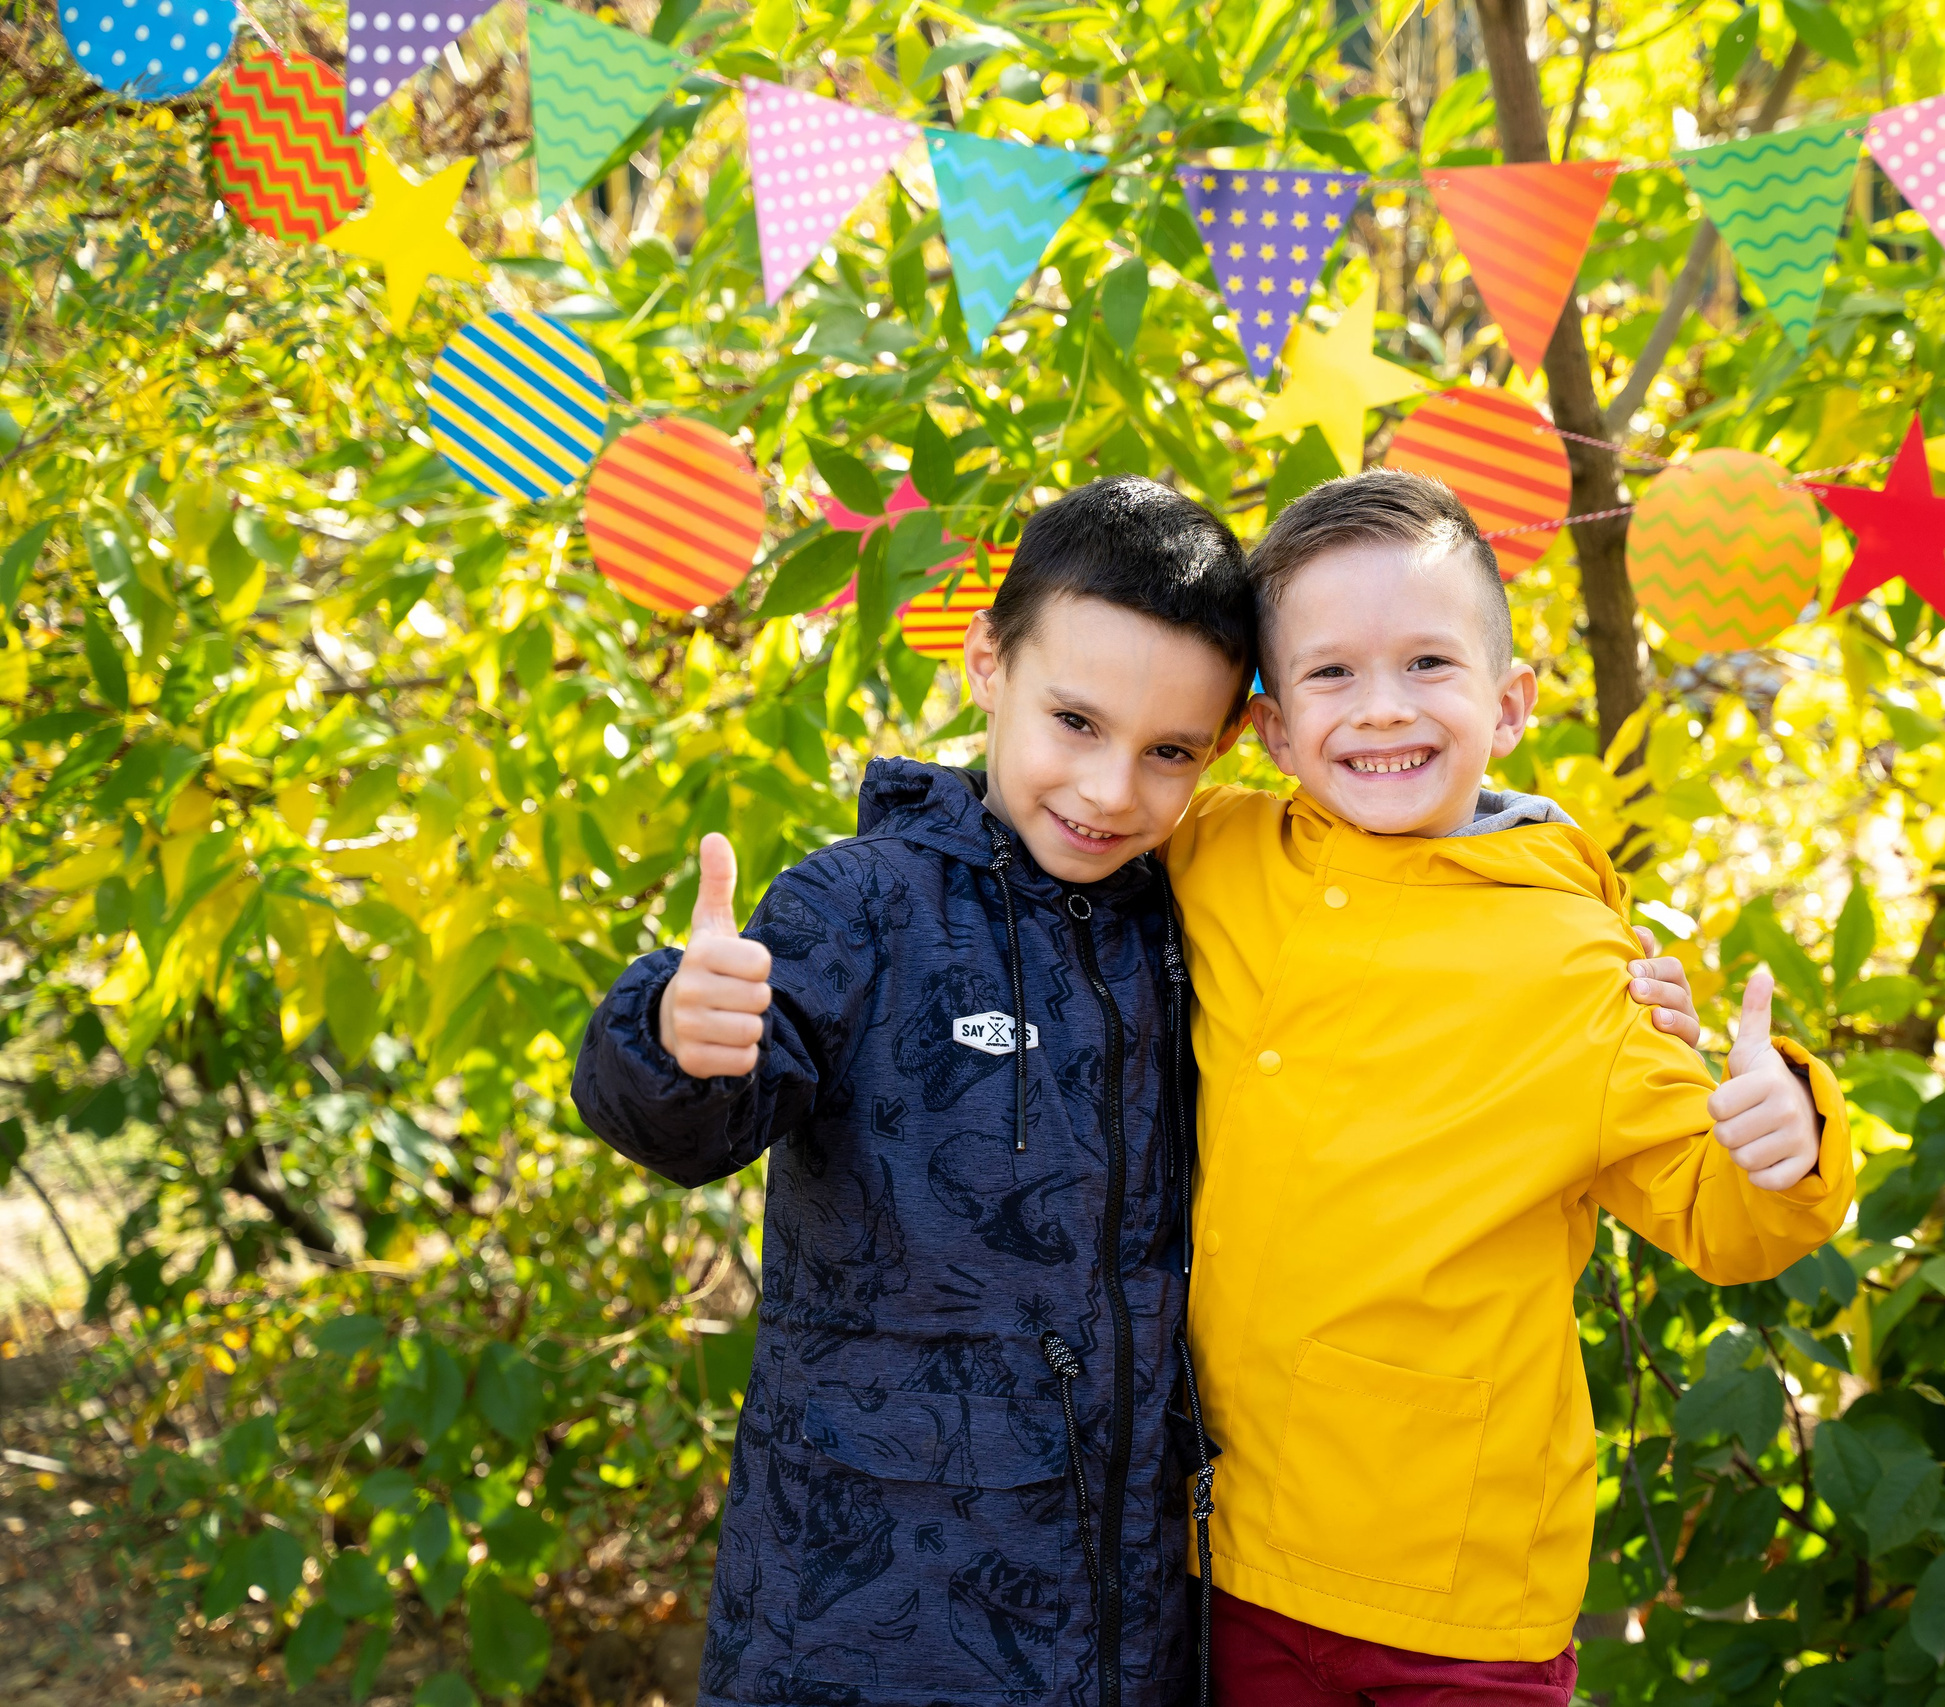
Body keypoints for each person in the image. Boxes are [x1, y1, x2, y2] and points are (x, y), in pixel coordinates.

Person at [569, 474, 1708, 1707]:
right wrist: (675, 1035)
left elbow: (1397, 923)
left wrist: (1605, 966)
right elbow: (701, 1121)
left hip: (1120, 1611)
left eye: (1168, 752)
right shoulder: (864, 905)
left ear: (1228, 745)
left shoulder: (1182, 907)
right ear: (985, 662)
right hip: (856, 1600)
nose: (1112, 791)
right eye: (1075, 723)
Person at [1160, 469, 1857, 1703]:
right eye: (1329, 674)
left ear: (1511, 703)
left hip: (1457, 1578)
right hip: (1225, 1547)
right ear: (1266, 729)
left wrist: (1784, 1134)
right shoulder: (1214, 854)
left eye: (1429, 663)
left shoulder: (1573, 957)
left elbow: (1720, 1219)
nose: (1381, 709)